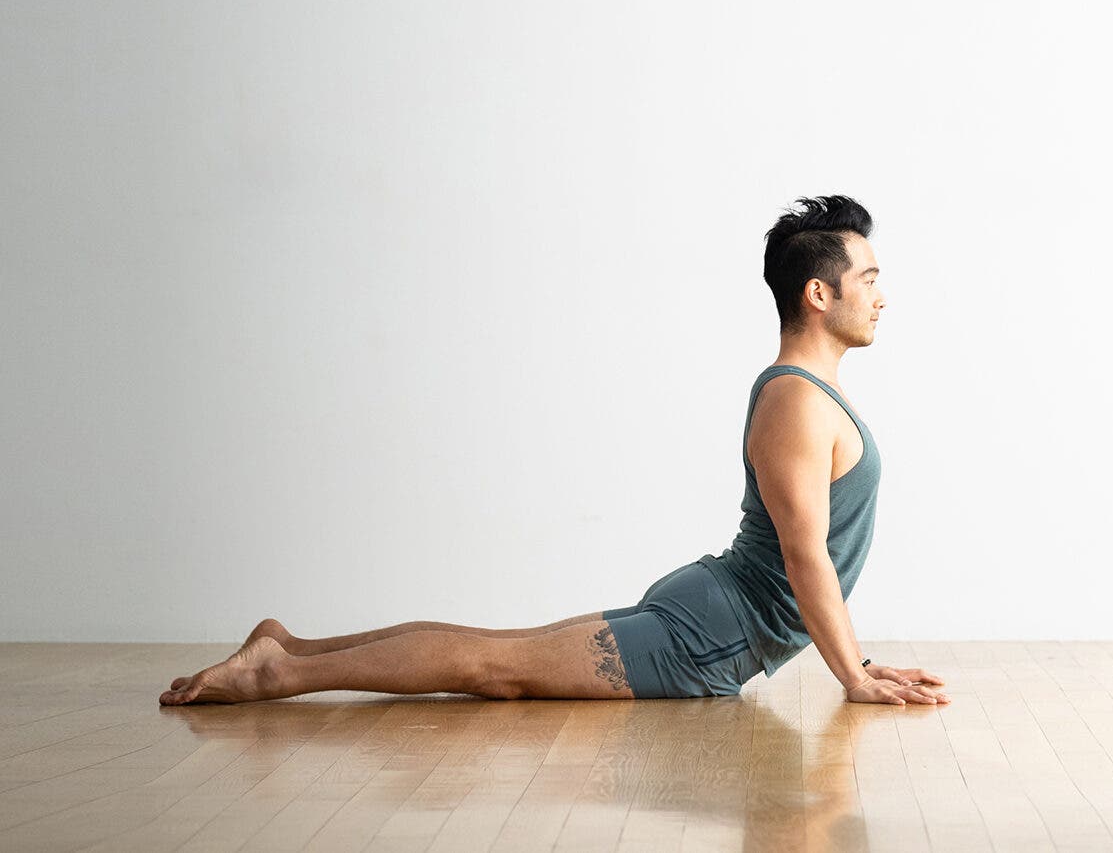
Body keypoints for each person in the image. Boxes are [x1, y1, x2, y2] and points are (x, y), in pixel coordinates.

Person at [159, 195, 950, 707]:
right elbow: (804, 553)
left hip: (711, 617)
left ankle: (292, 648)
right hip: (708, 633)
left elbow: (808, 556)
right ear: (821, 293)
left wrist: (858, 660)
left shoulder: (805, 395)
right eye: (870, 277)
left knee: (499, 653)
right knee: (492, 667)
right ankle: (280, 673)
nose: (882, 294)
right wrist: (852, 675)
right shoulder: (796, 401)